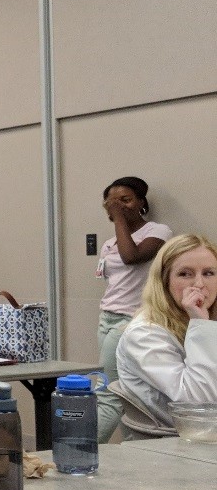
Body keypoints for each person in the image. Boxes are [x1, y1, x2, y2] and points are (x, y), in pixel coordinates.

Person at [115, 233, 217, 437]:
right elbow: (199, 405)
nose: (199, 284)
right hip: (183, 445)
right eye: (185, 274)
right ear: (164, 282)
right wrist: (199, 323)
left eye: (209, 273)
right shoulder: (145, 333)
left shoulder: (203, 321)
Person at [96, 177, 170, 442]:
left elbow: (132, 257)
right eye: (112, 203)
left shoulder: (158, 232)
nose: (119, 207)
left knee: (109, 392)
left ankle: (82, 453)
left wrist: (119, 219)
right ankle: (133, 446)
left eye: (125, 200)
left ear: (141, 203)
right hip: (107, 317)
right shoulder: (109, 243)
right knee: (123, 389)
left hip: (132, 320)